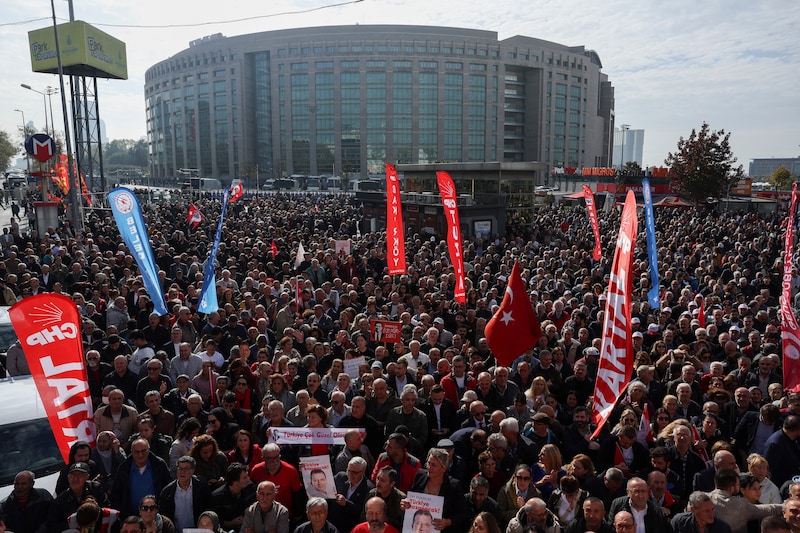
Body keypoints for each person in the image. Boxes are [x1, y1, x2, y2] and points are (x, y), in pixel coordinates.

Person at [110, 438, 171, 519]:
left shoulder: (159, 465)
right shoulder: (124, 468)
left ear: (149, 450)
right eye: (137, 452)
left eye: (143, 451)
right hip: (131, 518)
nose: (140, 455)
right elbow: (117, 494)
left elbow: (167, 490)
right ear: (131, 452)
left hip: (155, 517)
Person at [709, 468, 782, 533]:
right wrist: (786, 506)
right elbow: (767, 509)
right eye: (738, 485)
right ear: (731, 488)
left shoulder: (703, 499)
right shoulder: (739, 504)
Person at [158, 455, 212, 531]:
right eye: (179, 468)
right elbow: (163, 516)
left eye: (186, 469)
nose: (182, 472)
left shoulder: (201, 485)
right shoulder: (167, 492)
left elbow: (209, 507)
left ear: (193, 470)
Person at [211, 462, 257, 531]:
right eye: (244, 478)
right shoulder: (217, 496)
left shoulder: (250, 488)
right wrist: (230, 524)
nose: (248, 479)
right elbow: (213, 520)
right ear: (235, 482)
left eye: (247, 475)